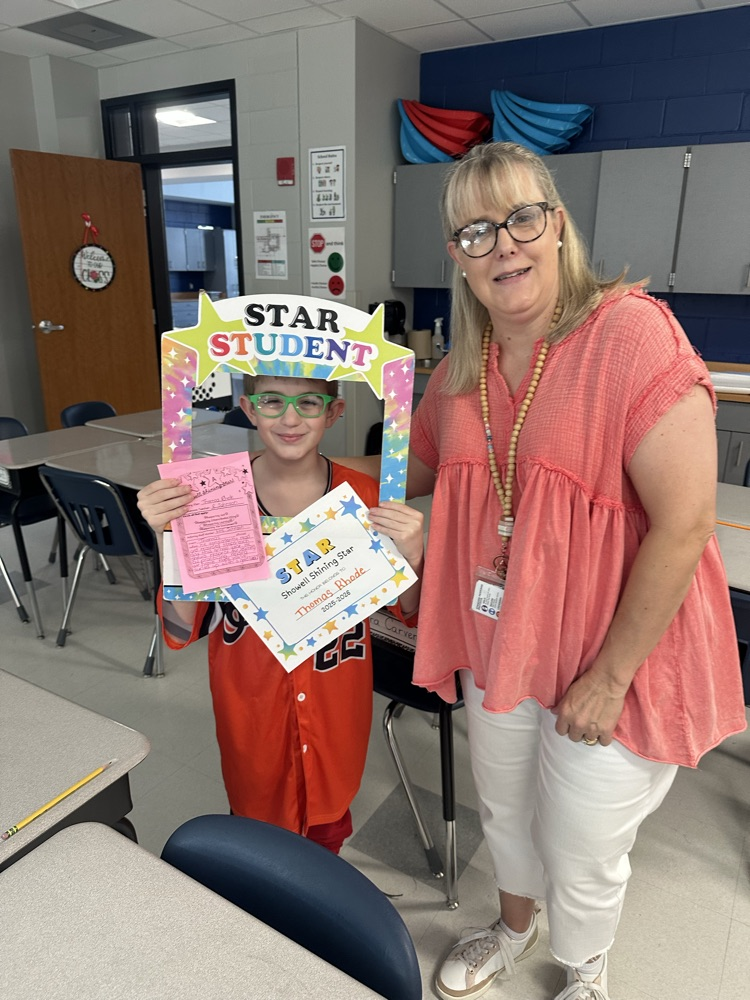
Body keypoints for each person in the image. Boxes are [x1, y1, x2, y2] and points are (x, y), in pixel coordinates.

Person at [345, 141, 746, 1000]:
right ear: (457, 255)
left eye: (521, 218)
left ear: (557, 224)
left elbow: (685, 525)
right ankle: (513, 928)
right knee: (507, 811)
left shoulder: (631, 335)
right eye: (476, 232)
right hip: (503, 639)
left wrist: (610, 676)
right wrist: (264, 486)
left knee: (583, 842)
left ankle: (585, 971)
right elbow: (412, 489)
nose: (504, 245)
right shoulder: (459, 369)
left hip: (612, 653)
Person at [137, 375, 423, 854]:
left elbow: (407, 612)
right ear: (249, 409)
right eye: (272, 401)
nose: (290, 418)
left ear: (333, 412)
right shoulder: (211, 497)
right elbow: (182, 626)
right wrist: (169, 538)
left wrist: (412, 557)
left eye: (308, 402)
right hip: (252, 715)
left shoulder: (367, 497)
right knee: (256, 848)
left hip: (336, 715)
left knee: (326, 840)